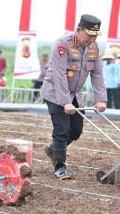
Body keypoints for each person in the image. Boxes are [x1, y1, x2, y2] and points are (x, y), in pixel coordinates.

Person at [41, 14, 107, 180]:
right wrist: (65, 102)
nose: (92, 39)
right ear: (79, 30)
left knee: (76, 130)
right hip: (55, 93)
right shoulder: (63, 45)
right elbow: (60, 75)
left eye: (95, 36)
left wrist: (101, 99)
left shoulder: (94, 47)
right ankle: (60, 166)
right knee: (62, 130)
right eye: (89, 35)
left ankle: (53, 149)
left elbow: (97, 74)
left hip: (75, 94)